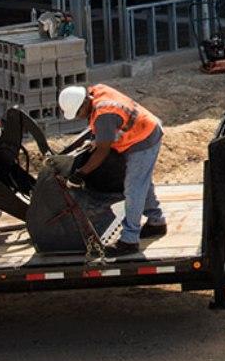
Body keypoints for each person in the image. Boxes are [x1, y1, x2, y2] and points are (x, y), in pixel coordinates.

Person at [59, 84, 165, 257]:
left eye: (78, 113)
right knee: (141, 180)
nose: (79, 117)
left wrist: (81, 174)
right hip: (144, 129)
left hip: (144, 138)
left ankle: (129, 241)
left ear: (85, 102)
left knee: (134, 188)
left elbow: (102, 151)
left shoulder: (104, 115)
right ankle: (156, 222)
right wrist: (95, 138)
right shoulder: (96, 91)